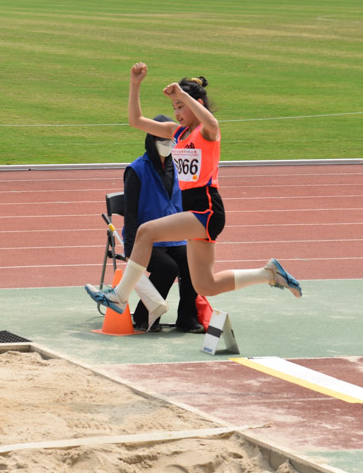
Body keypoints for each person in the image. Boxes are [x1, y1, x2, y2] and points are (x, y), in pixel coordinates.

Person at [85, 63, 302, 328]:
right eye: (174, 107)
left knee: (145, 232)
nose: (176, 113)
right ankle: (268, 274)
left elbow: (212, 120)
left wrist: (184, 94)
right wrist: (135, 84)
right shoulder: (177, 133)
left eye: (180, 106)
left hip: (207, 208)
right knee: (206, 285)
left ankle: (119, 297)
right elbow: (135, 121)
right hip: (195, 211)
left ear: (195, 103)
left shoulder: (207, 132)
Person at [123, 115, 201, 333]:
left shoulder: (178, 167)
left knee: (192, 264)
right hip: (146, 242)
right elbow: (130, 214)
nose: (168, 145)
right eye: (162, 140)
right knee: (168, 268)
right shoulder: (136, 170)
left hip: (175, 237)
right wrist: (130, 248)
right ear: (151, 140)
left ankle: (187, 318)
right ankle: (144, 316)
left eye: (170, 140)